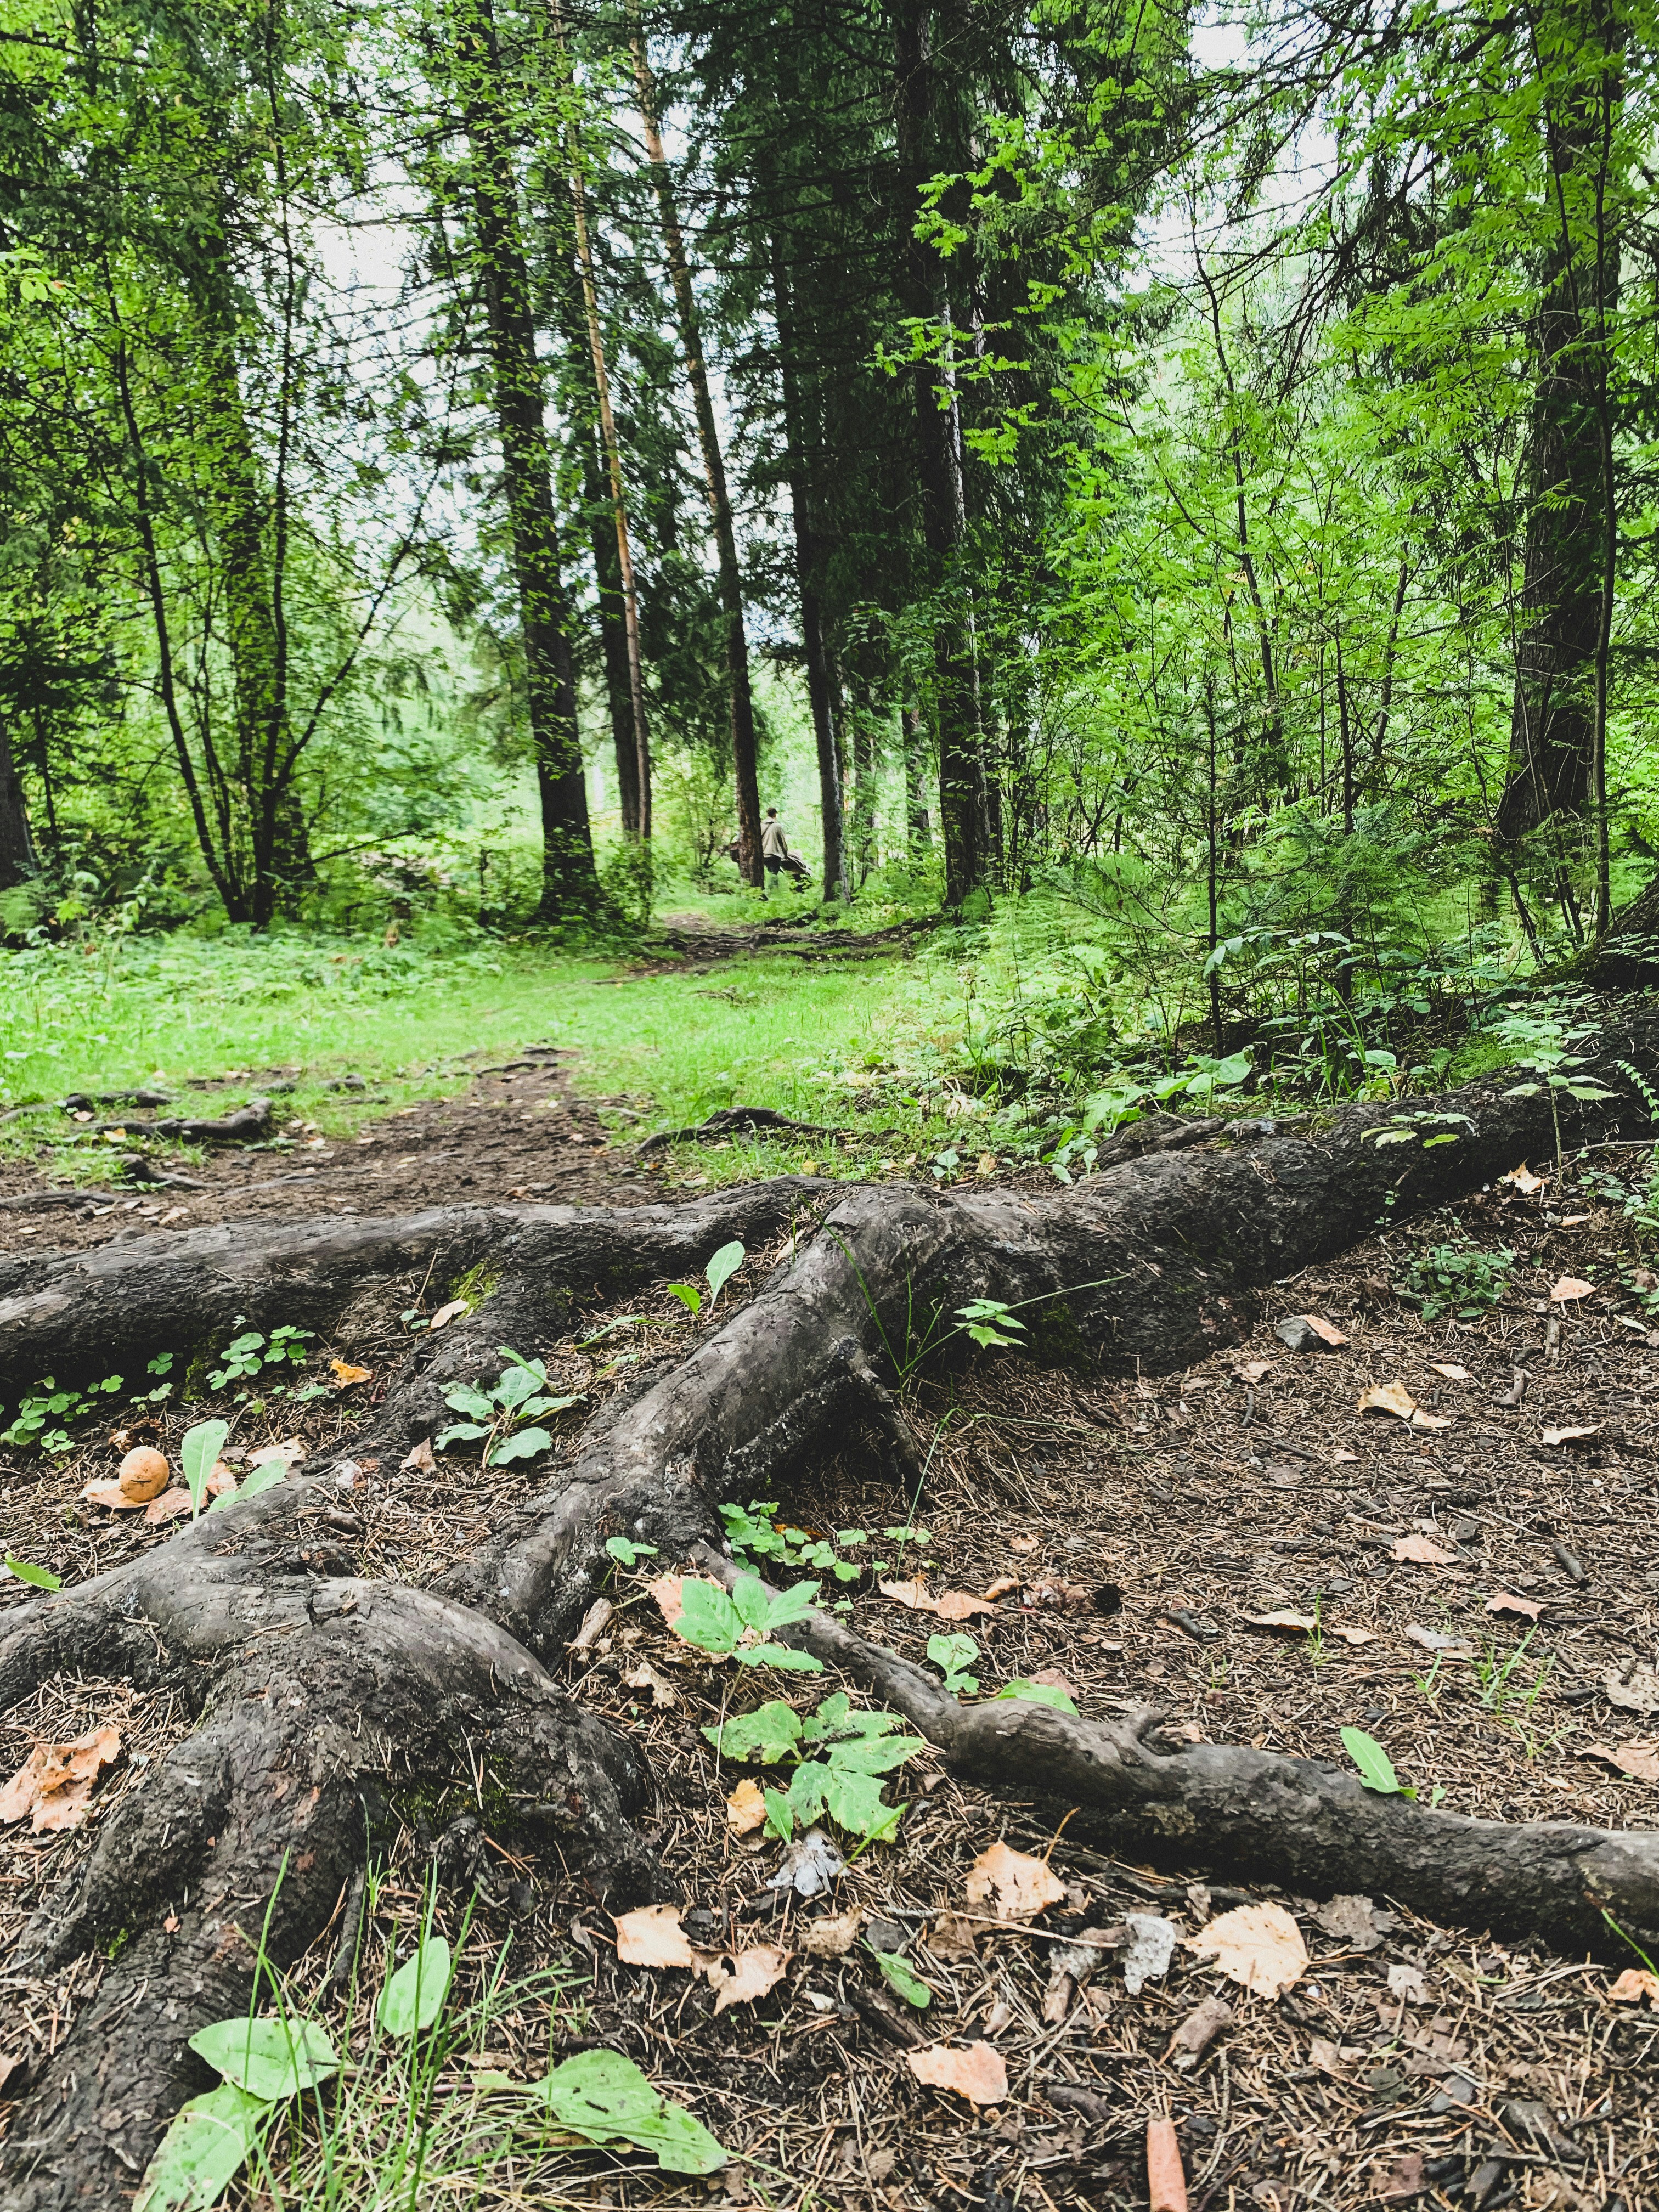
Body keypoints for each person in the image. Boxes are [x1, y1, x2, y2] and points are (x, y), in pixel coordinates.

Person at [760, 808, 801, 893]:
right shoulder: (777, 826)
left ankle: (774, 891)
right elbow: (783, 842)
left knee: (772, 873)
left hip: (764, 855)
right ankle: (772, 892)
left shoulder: (761, 825)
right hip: (774, 855)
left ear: (767, 814)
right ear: (775, 815)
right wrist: (786, 854)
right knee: (774, 874)